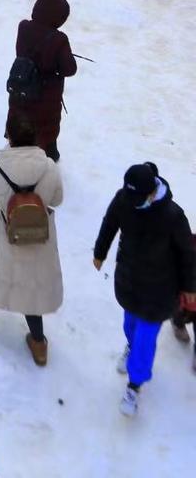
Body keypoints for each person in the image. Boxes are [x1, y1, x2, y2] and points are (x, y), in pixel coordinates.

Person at [93, 162, 196, 416]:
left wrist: (189, 287)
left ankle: (134, 385)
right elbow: (110, 222)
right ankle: (131, 346)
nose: (133, 201)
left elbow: (187, 254)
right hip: (130, 279)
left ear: (152, 192)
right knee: (130, 325)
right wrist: (100, 251)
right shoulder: (125, 198)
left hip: (161, 289)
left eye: (139, 197)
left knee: (146, 337)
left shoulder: (173, 215)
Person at [0, 112, 64, 367]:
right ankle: (38, 344)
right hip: (38, 235)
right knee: (31, 288)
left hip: (3, 233)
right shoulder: (48, 166)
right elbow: (57, 200)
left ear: (9, 136)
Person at [6, 0, 77, 161]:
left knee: (19, 115)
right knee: (46, 125)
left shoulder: (23, 27)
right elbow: (70, 69)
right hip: (46, 95)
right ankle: (49, 153)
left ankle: (16, 146)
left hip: (22, 85)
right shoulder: (59, 40)